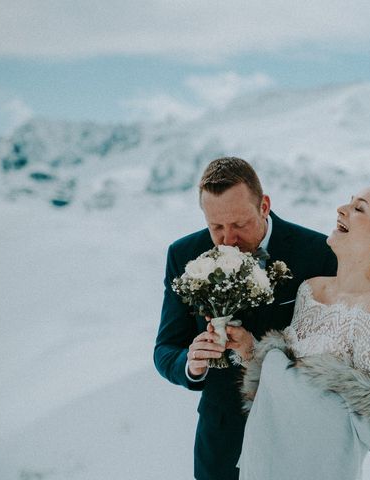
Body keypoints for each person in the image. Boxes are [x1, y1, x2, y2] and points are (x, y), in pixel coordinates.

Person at [237, 181, 370, 480]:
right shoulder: (310, 289)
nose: (342, 210)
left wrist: (290, 378)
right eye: (349, 202)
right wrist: (247, 349)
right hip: (265, 461)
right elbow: (278, 388)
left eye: (359, 209)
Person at [153, 157, 337, 480]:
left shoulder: (317, 252)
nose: (228, 240)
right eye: (216, 227)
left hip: (295, 436)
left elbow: (332, 353)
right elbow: (165, 348)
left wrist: (260, 351)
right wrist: (192, 363)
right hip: (222, 444)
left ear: (264, 206)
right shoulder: (183, 255)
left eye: (239, 224)